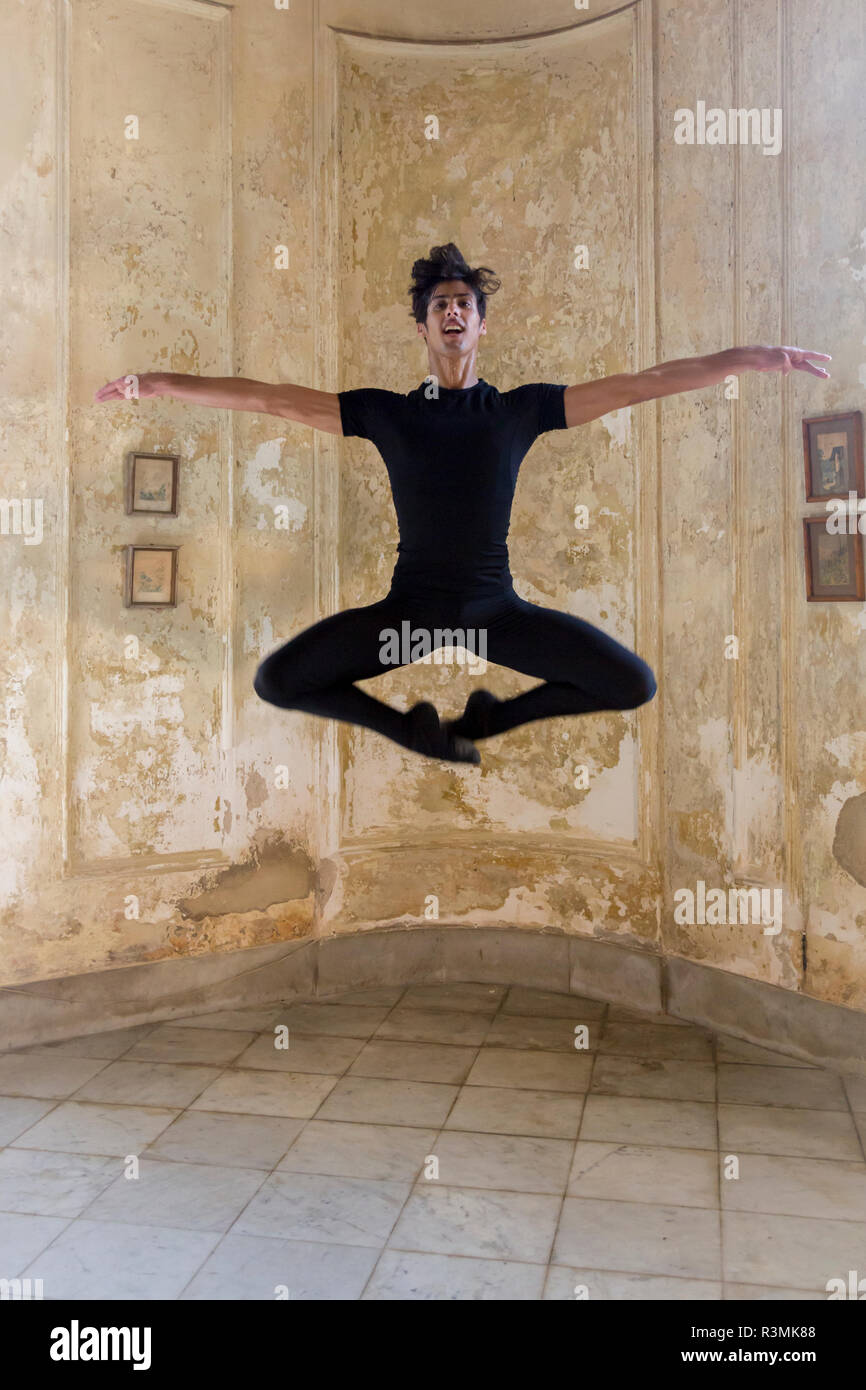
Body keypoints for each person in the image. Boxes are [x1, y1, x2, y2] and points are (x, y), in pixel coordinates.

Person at [95, 241, 831, 764]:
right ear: (423, 326)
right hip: (406, 621)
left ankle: (491, 719)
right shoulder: (387, 412)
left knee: (632, 683)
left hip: (493, 618)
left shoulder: (523, 410)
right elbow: (270, 399)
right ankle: (411, 731)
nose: (453, 312)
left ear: (481, 325)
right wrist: (156, 382)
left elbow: (645, 382)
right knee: (277, 681)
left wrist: (757, 359)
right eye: (440, 304)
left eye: (464, 304)